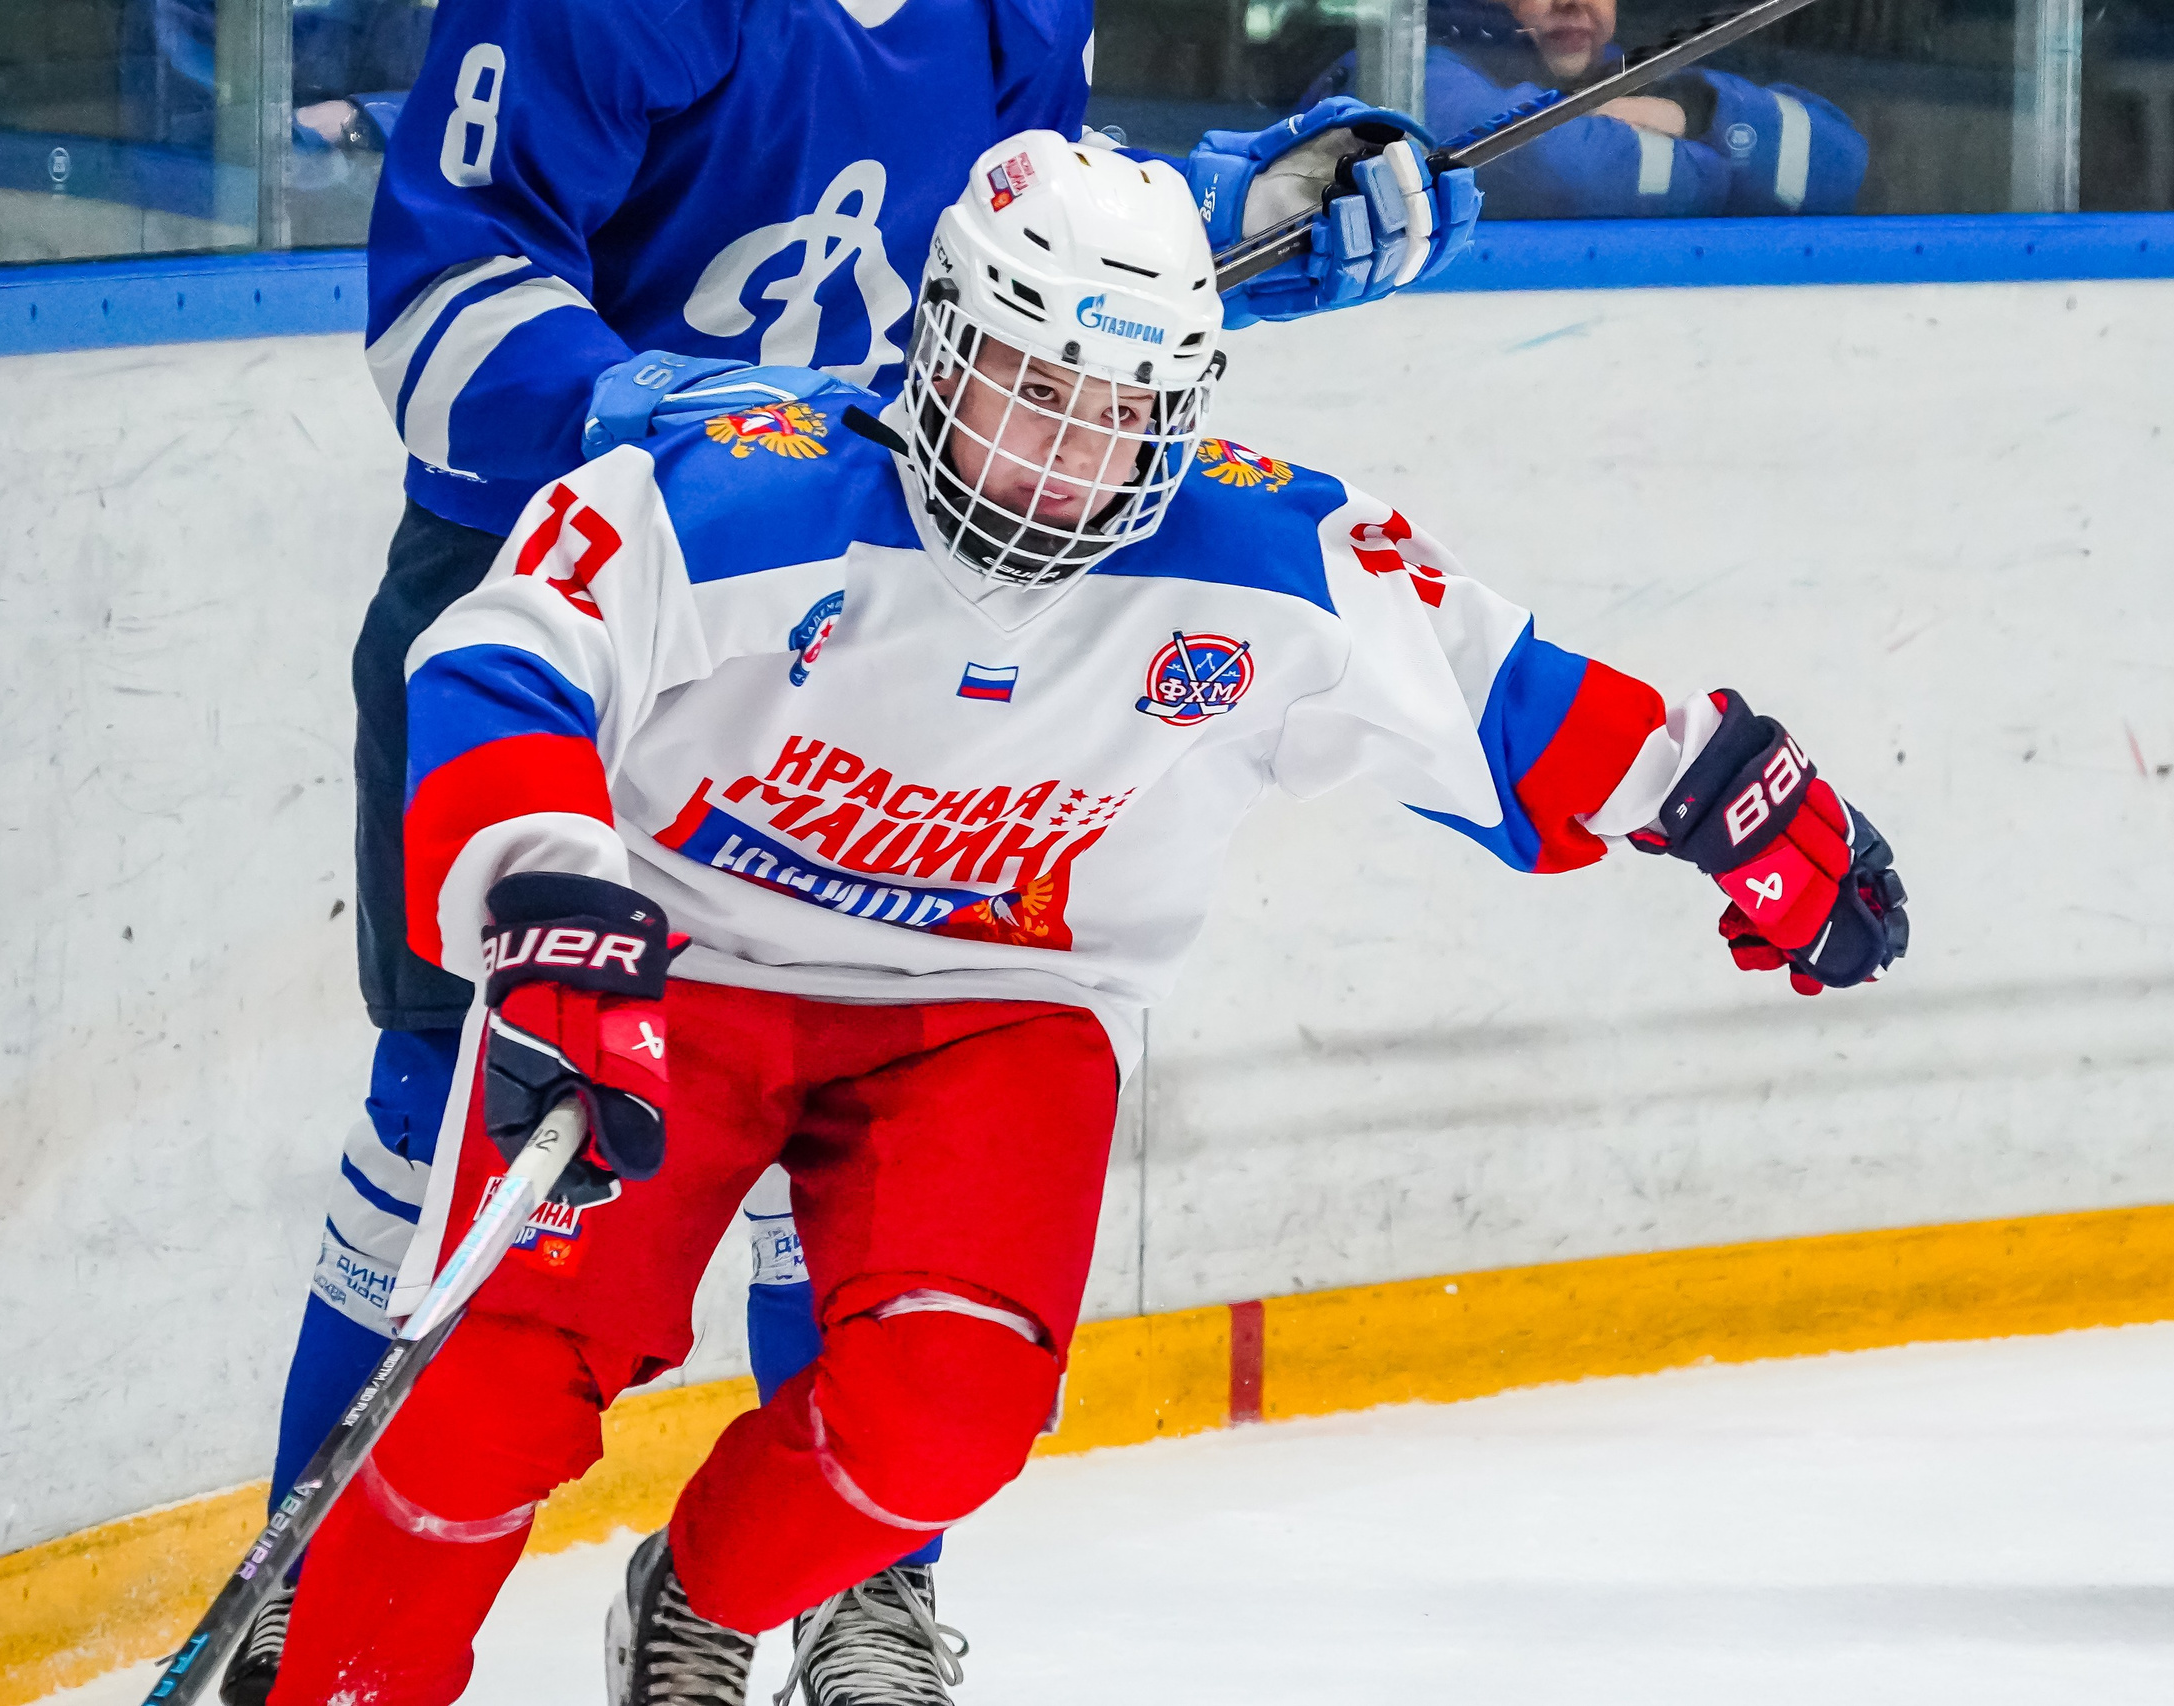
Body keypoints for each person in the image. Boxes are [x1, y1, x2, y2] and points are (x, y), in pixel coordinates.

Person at [264, 131, 1907, 1706]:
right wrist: (549, 888)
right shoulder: (734, 491)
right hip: (683, 969)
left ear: (1184, 411)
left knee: (948, 1421)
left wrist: (1729, 799)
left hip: (996, 1013)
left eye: (1115, 412)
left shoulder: (1272, 556)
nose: (1059, 454)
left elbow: (1504, 697)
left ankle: (704, 1592)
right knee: (482, 1401)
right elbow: (503, 657)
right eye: (1027, 388)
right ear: (941, 351)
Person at [238, 0, 1481, 1691]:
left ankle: (849, 1576)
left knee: (876, 1073)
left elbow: (993, 239)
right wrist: (640, 406)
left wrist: (1215, 218)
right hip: (562, 607)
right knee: (465, 1121)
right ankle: (321, 1612)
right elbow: (448, 308)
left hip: (877, 610)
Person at [1310, 0, 1867, 219]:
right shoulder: (1403, 71)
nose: (1573, 1)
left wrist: (1695, 111)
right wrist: (1721, 168)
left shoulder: (1647, 76)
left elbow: (1840, 168)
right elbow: (1568, 175)